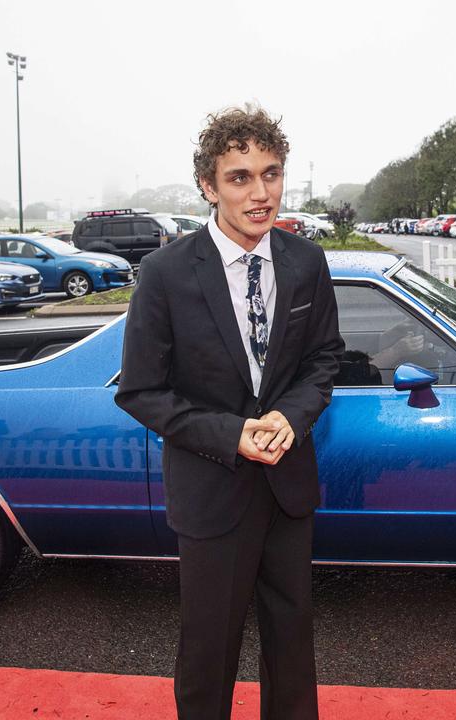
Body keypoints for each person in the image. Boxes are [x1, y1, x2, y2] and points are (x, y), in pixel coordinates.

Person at [115, 105, 343, 720]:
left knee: (292, 645)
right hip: (211, 489)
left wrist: (291, 418)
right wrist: (233, 434)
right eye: (240, 177)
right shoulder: (165, 273)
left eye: (271, 173)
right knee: (208, 653)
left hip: (288, 489)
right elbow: (140, 391)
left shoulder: (305, 262)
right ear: (209, 187)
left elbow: (323, 359)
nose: (260, 191)